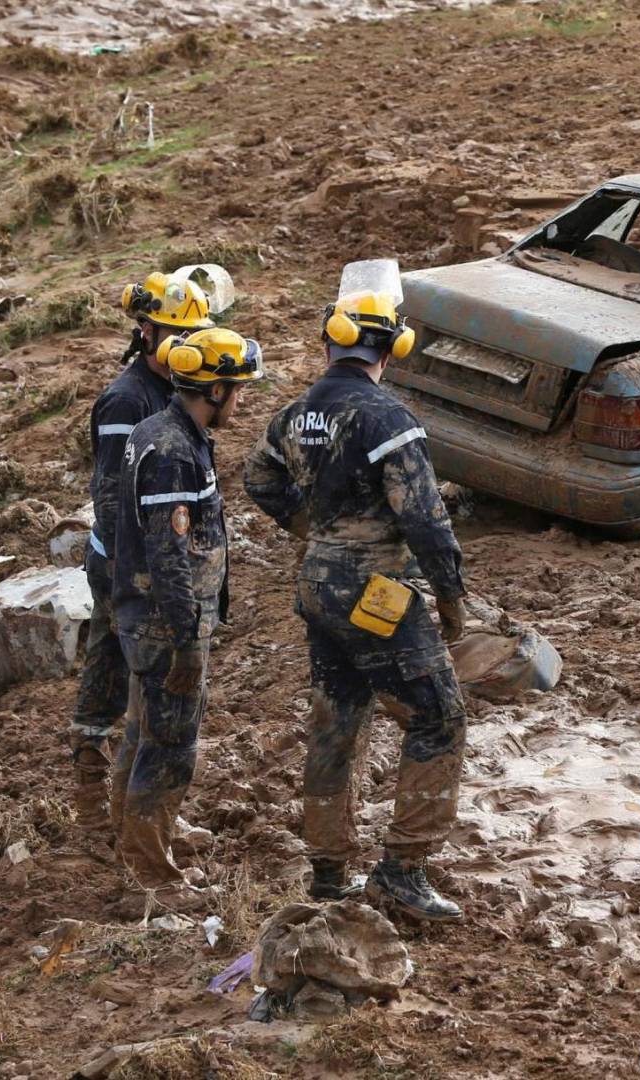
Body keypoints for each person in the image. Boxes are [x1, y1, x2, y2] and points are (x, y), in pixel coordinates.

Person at [244, 286, 469, 921]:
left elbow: (258, 477)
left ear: (330, 340)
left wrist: (313, 529)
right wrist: (453, 604)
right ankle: (403, 870)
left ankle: (327, 872)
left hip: (317, 584)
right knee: (439, 716)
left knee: (337, 718)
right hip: (376, 592)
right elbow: (426, 522)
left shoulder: (293, 415)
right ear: (394, 348)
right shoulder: (389, 420)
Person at [111, 327, 260, 906]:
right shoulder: (173, 450)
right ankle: (150, 871)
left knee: (142, 730)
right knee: (170, 743)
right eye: (237, 389)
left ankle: (138, 833)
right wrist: (187, 642)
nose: (241, 401)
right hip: (164, 623)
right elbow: (169, 555)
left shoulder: (166, 431)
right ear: (215, 388)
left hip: (149, 617)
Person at [68, 273, 214, 829]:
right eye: (175, 335)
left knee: (124, 668)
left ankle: (122, 809)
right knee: (119, 669)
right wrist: (142, 571)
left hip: (140, 560)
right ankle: (98, 797)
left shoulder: (174, 389)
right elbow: (110, 494)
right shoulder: (128, 399)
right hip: (123, 562)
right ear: (146, 331)